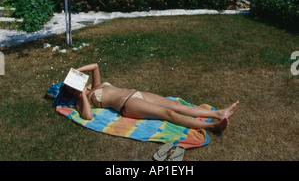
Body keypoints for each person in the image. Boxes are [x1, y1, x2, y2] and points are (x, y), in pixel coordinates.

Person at [65, 63, 239, 132]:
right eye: (72, 88)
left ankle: (218, 113)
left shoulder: (94, 87)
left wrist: (77, 71)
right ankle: (212, 127)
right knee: (168, 113)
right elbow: (88, 116)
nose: (77, 87)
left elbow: (95, 66)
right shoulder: (83, 101)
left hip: (136, 93)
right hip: (127, 105)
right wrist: (81, 95)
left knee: (174, 104)